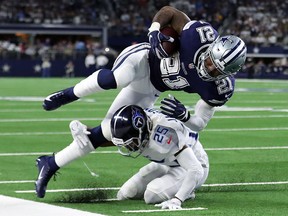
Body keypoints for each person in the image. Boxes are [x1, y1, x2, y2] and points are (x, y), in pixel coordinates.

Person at [35, 6, 246, 198]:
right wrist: (155, 30)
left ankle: (50, 163)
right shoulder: (198, 36)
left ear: (229, 73)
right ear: (212, 49)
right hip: (144, 59)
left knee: (112, 130)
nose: (209, 69)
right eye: (210, 61)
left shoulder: (219, 89)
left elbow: (200, 123)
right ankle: (67, 95)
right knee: (116, 79)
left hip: (152, 87)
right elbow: (170, 12)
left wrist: (186, 116)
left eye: (218, 70)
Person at [111, 105, 209, 209]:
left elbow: (196, 169)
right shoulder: (143, 122)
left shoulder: (166, 135)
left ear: (142, 132)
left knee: (151, 195)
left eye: (131, 143)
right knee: (126, 192)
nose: (129, 147)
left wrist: (177, 200)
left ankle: (188, 192)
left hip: (192, 165)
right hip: (169, 162)